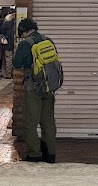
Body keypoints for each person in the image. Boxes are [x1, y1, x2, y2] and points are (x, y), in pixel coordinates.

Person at [13, 17, 62, 164]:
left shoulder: (25, 44)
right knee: (48, 121)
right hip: (49, 87)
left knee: (30, 122)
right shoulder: (48, 40)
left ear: (24, 31)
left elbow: (16, 64)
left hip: (33, 88)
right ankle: (50, 153)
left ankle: (34, 154)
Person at [0, 10, 16, 79]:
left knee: (7, 59)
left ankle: (8, 73)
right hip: (13, 43)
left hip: (7, 44)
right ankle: (11, 73)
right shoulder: (15, 24)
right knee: (11, 58)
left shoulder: (6, 24)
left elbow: (2, 32)